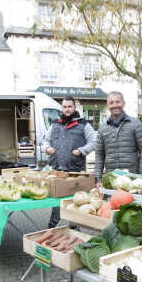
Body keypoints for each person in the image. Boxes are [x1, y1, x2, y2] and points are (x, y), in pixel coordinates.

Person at [42, 96, 96, 228]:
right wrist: (47, 148)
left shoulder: (84, 124)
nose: (67, 109)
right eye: (65, 107)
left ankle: (74, 228)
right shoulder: (55, 124)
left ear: (74, 107)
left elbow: (94, 142)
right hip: (56, 170)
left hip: (75, 171)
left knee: (74, 202)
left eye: (69, 107)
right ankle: (52, 227)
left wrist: (82, 151)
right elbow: (45, 141)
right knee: (57, 201)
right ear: (62, 108)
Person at [95, 91, 142, 185]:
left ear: (123, 103)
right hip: (111, 178)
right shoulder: (102, 128)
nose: (115, 105)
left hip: (132, 178)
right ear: (107, 106)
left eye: (118, 102)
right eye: (111, 103)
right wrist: (98, 178)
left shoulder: (135, 123)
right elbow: (99, 154)